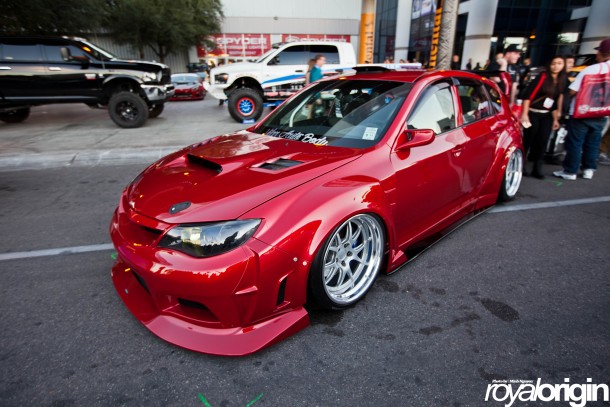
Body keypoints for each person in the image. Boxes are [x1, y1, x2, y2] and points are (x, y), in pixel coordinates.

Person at [554, 38, 610, 180]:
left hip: (582, 112)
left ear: (602, 53)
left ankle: (570, 171)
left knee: (575, 142)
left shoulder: (590, 69)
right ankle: (588, 169)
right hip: (602, 113)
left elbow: (572, 91)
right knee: (593, 142)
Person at [519, 56, 568, 178]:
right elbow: (528, 96)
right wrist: (524, 114)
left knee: (543, 142)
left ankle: (537, 169)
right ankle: (520, 165)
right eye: (553, 63)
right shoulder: (542, 76)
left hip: (547, 115)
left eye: (559, 63)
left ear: (563, 65)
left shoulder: (562, 80)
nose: (556, 66)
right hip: (533, 113)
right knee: (528, 140)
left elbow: (554, 103)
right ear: (549, 65)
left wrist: (556, 119)